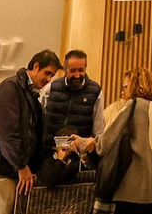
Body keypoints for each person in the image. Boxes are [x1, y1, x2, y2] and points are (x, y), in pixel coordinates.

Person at [0, 49, 62, 214]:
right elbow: (7, 133)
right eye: (47, 73)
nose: (49, 80)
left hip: (11, 173)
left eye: (52, 76)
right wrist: (21, 166)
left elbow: (33, 136)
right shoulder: (10, 88)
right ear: (35, 66)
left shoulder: (31, 97)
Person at [95, 67, 152, 214]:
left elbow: (105, 143)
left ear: (135, 86)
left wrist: (84, 144)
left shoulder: (133, 105)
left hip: (135, 193)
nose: (123, 91)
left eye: (125, 86)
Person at [37, 49, 104, 183]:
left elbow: (98, 129)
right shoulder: (50, 88)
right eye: (73, 71)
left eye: (81, 70)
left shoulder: (95, 92)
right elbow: (39, 119)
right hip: (50, 155)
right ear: (65, 69)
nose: (78, 75)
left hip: (78, 159)